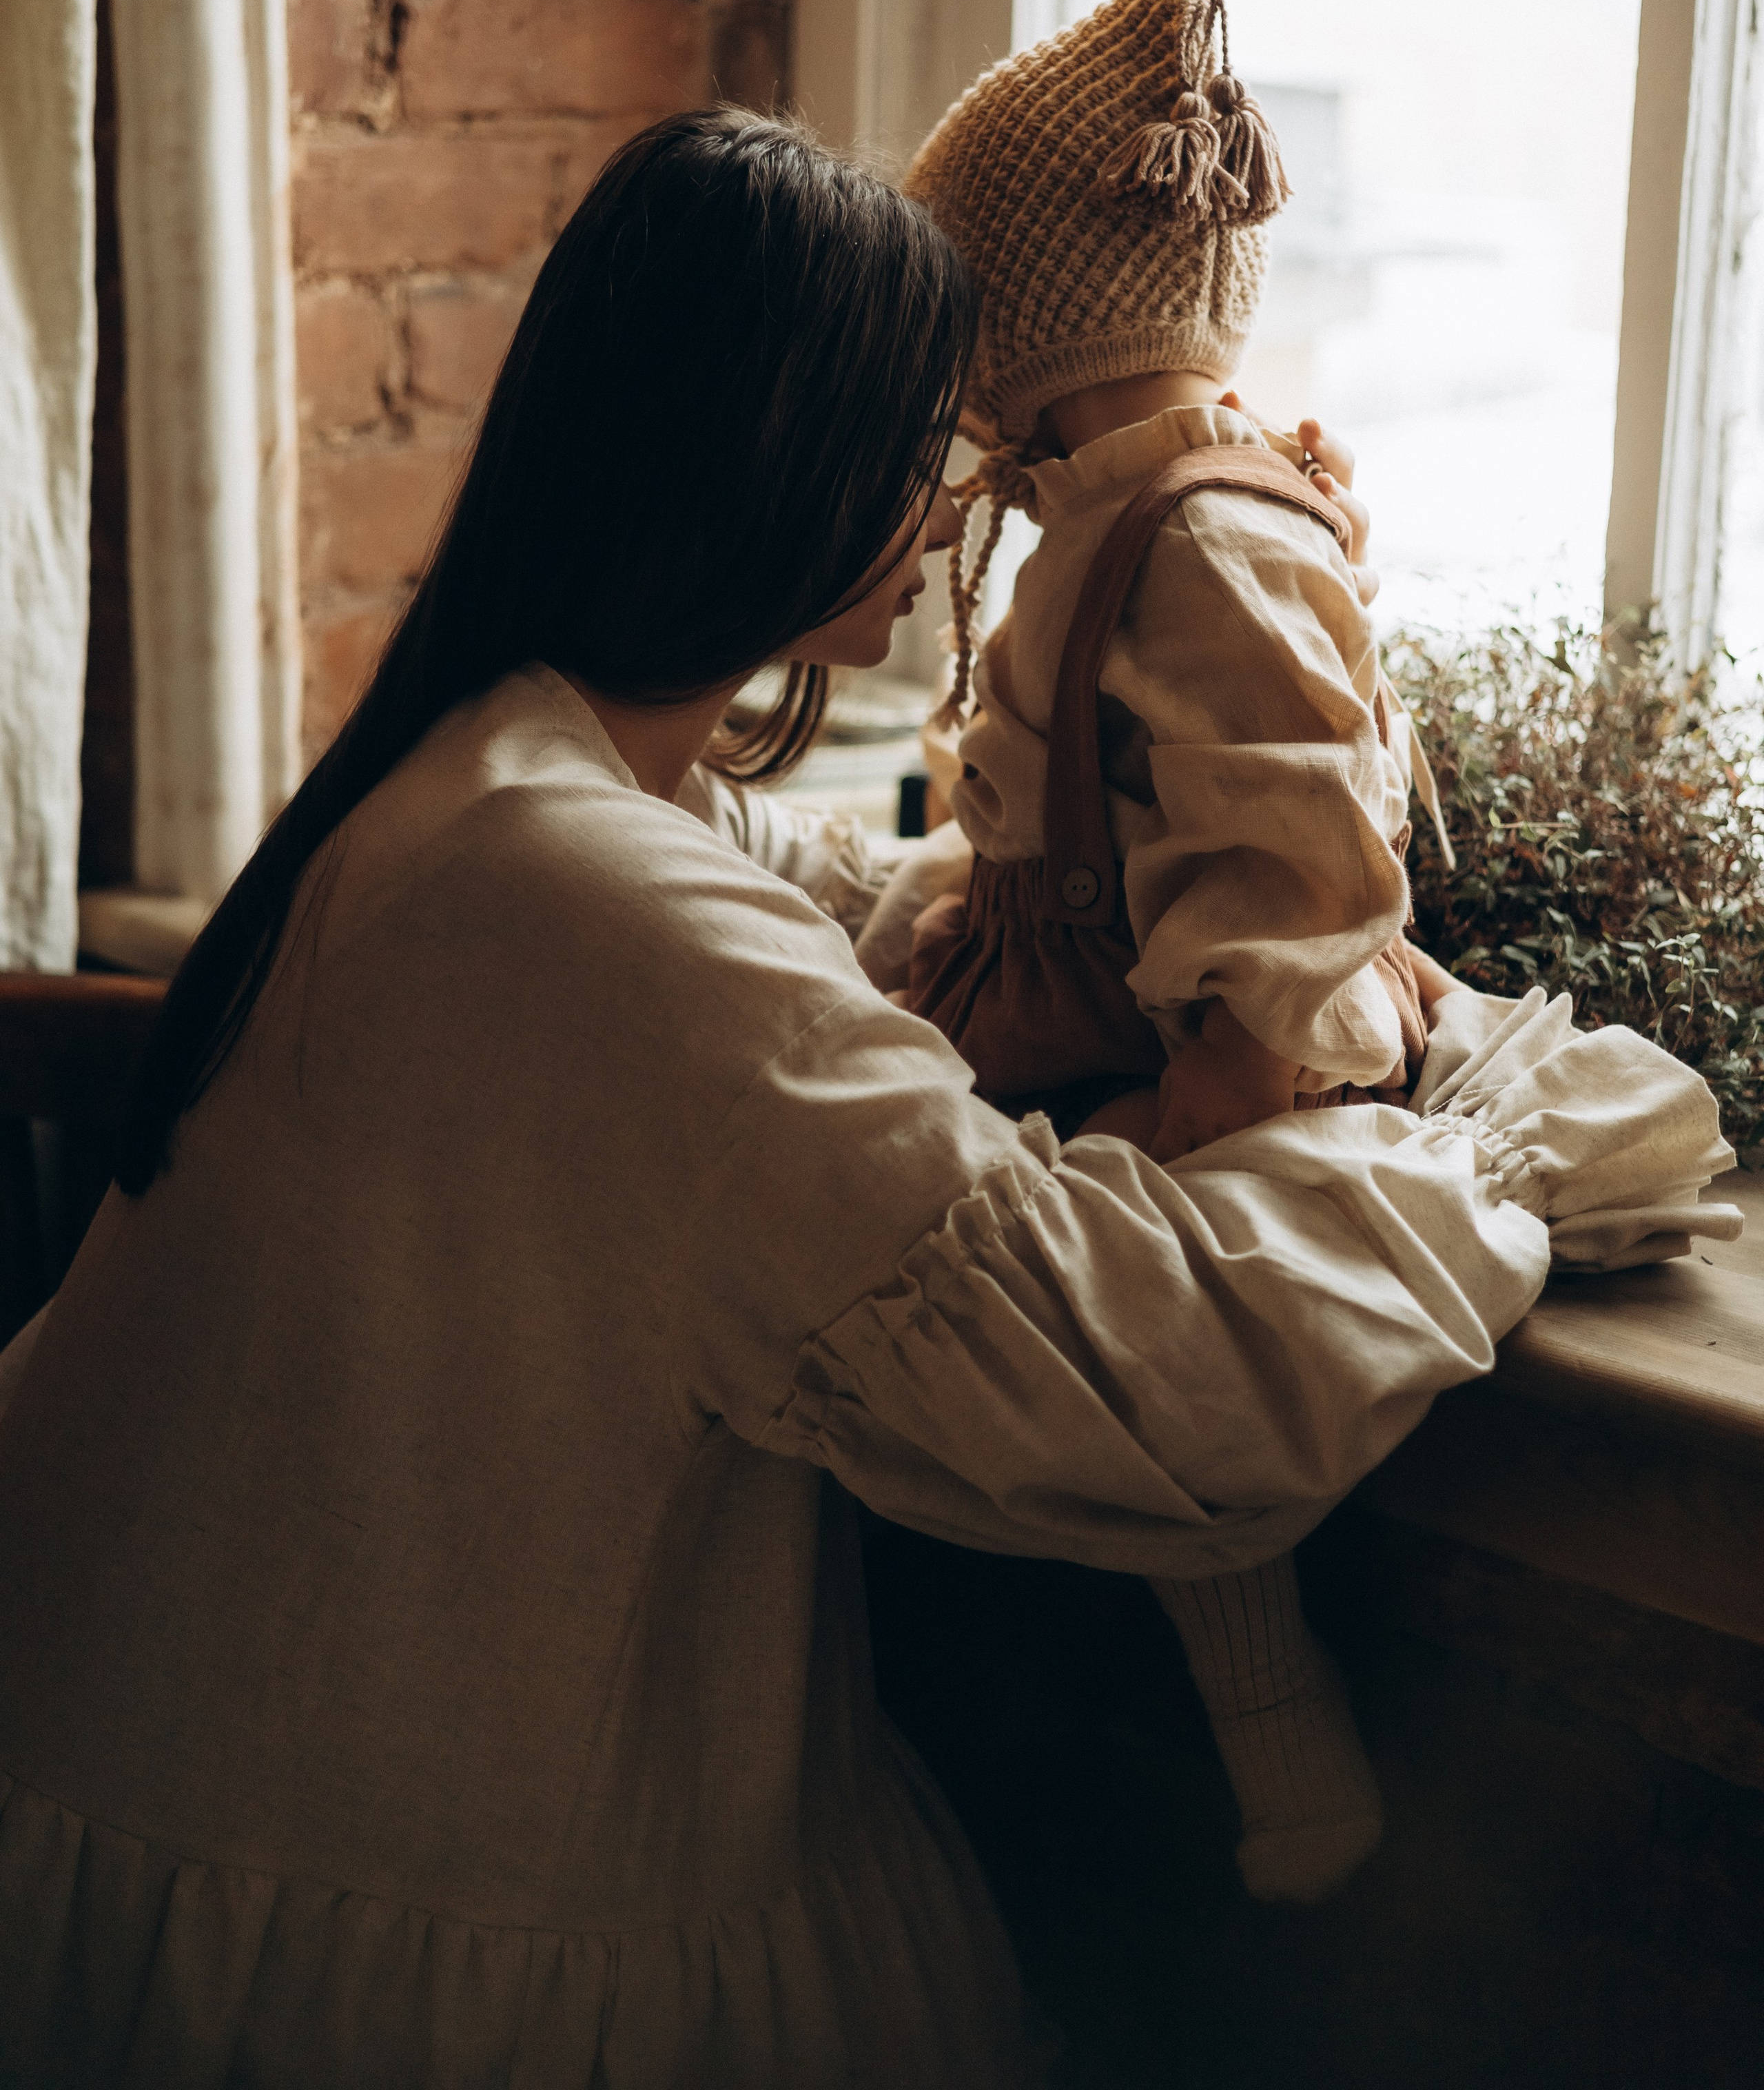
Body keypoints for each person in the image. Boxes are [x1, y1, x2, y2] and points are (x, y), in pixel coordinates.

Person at [0, 107, 1565, 2088]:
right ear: (777, 459)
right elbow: (1152, 1384)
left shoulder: (483, 777)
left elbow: (788, 889)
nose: (956, 499)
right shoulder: (599, 916)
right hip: (399, 1919)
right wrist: (1469, 1131)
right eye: (927, 441)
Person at [886, 0, 1739, 1904]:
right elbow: (1089, 788)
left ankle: (1280, 1729)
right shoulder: (1101, 510)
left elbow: (1286, 817)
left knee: (1163, 1354)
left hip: (1212, 1035)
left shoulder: (1204, 527)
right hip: (1090, 987)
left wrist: (1234, 1060)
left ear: (1022, 317)